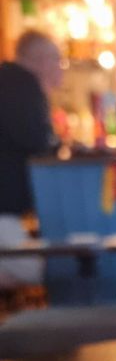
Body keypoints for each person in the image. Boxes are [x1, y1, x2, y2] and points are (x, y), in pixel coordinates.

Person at [0, 30, 62, 288]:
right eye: (57, 59)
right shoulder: (22, 84)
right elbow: (37, 140)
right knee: (44, 273)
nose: (60, 67)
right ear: (41, 59)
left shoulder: (8, 80)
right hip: (3, 211)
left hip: (7, 211)